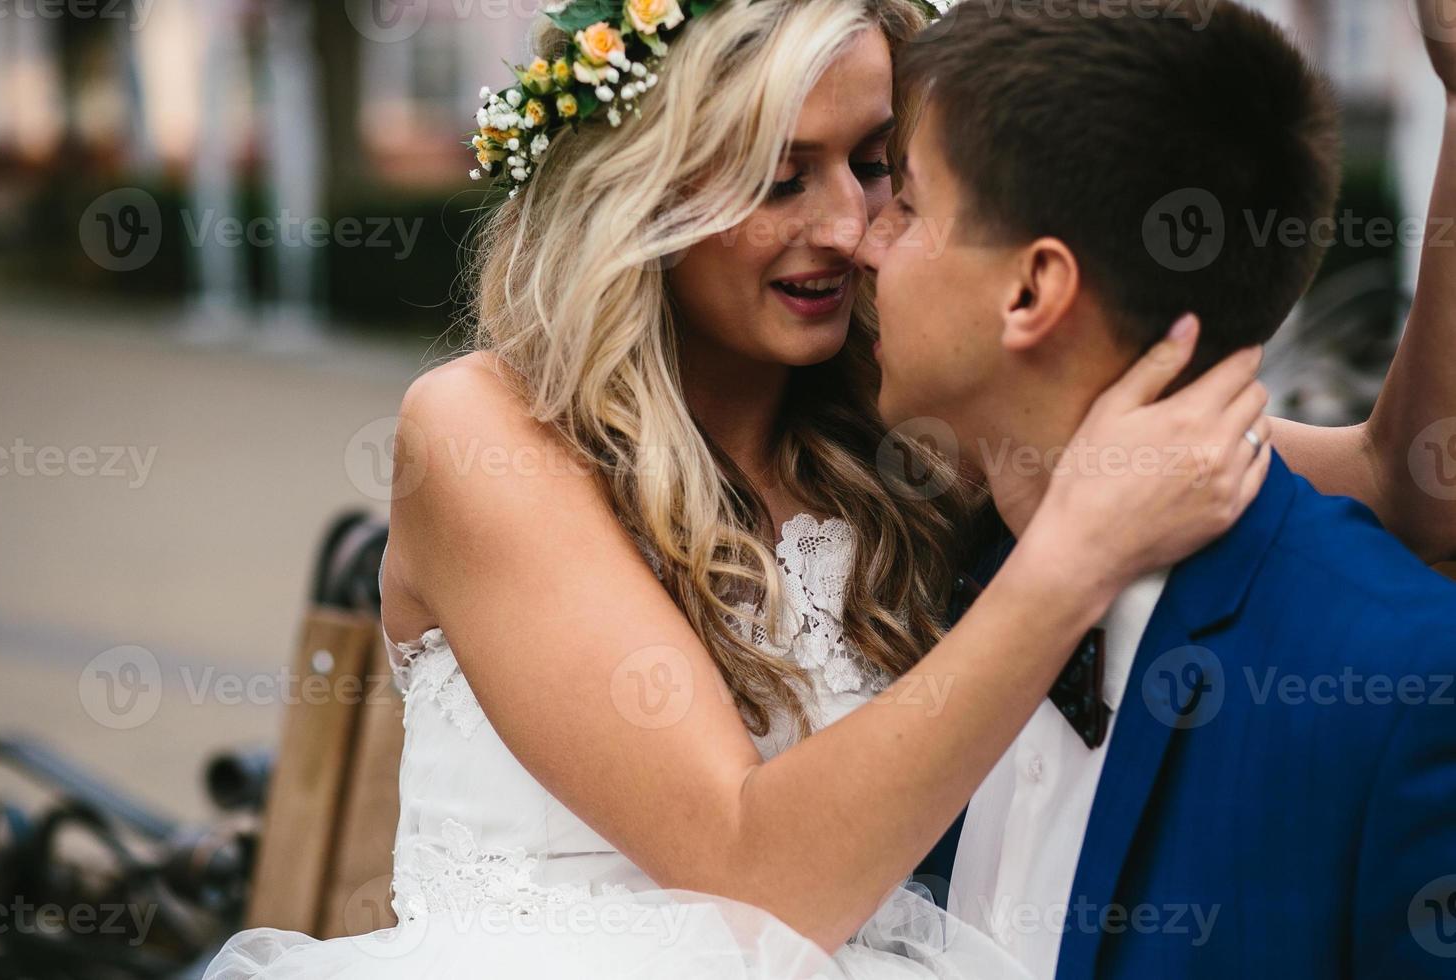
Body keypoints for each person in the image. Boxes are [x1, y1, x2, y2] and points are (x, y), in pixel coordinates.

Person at [205, 0, 1456, 975]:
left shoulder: (906, 411)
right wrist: (1066, 562)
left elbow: (1409, 489)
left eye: (876, 164)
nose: (851, 226)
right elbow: (751, 880)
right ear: (646, 188)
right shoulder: (485, 430)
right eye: (777, 175)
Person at [857, 2, 1456, 976]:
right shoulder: (919, 569)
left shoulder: (1404, 680)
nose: (863, 241)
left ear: (1030, 291)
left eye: (908, 205)